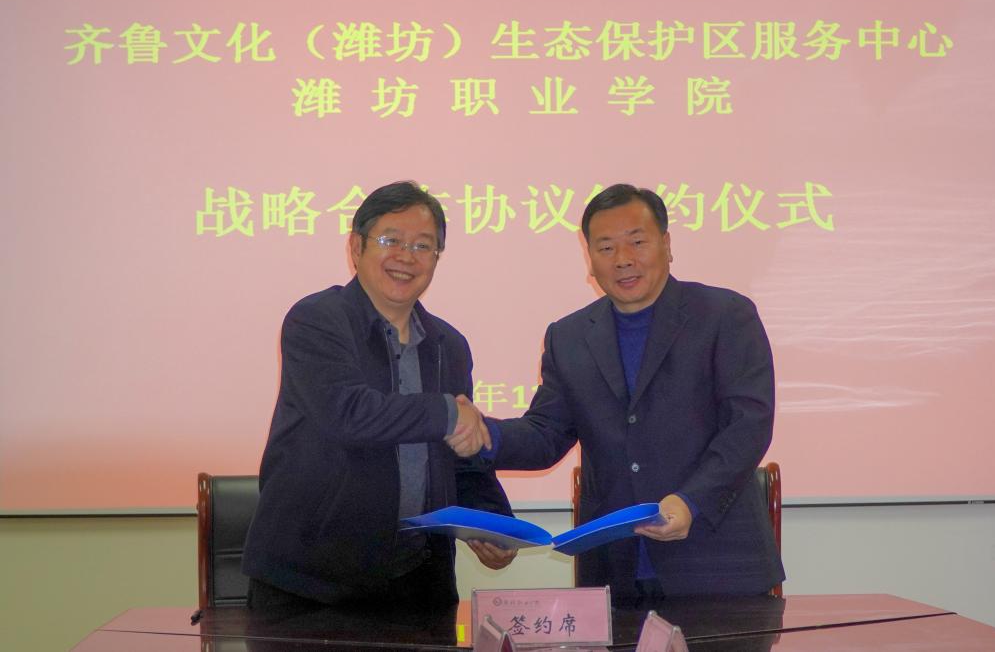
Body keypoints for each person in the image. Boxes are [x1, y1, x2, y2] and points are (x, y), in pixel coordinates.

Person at [483, 184, 784, 600]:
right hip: (614, 573)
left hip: (718, 567)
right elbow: (546, 433)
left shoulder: (725, 315)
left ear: (667, 245)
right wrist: (484, 435)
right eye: (606, 248)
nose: (623, 259)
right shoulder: (568, 336)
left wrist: (691, 501)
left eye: (637, 242)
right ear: (589, 259)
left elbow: (747, 426)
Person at [242, 181, 516, 609]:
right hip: (310, 583)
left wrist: (494, 521)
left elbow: (459, 456)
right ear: (356, 247)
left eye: (423, 246)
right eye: (391, 240)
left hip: (420, 583)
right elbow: (348, 413)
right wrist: (446, 412)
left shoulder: (449, 346)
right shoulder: (316, 320)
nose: (407, 256)